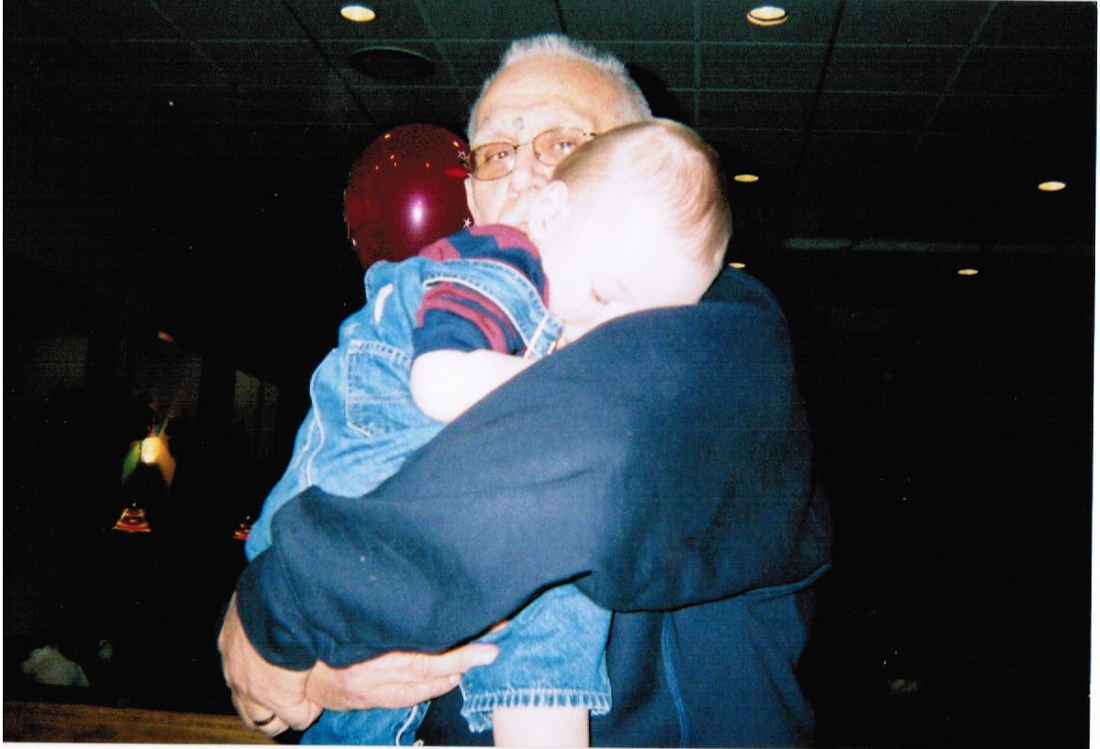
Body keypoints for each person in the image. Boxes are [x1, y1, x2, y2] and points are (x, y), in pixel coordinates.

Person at [220, 34, 833, 748]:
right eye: (496, 153)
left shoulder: (724, 328)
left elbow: (559, 470)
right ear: (472, 199)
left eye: (564, 143)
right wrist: (319, 676)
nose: (527, 177)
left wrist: (277, 609)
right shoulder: (426, 321)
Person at [244, 118, 730, 746]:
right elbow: (439, 382)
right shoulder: (501, 262)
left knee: (559, 592)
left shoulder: (574, 299)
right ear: (550, 215)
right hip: (347, 490)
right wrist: (566, 390)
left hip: (389, 546)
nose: (606, 336)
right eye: (605, 295)